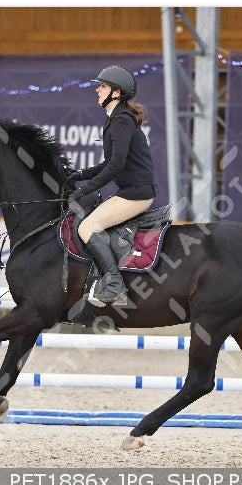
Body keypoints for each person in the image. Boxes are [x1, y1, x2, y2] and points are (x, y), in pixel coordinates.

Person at [67, 65, 157, 307]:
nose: (97, 90)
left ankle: (115, 283)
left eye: (103, 86)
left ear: (116, 93)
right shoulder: (116, 119)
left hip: (136, 194)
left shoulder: (121, 121)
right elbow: (109, 163)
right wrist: (77, 175)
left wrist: (84, 189)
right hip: (130, 192)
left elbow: (116, 166)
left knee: (88, 227)